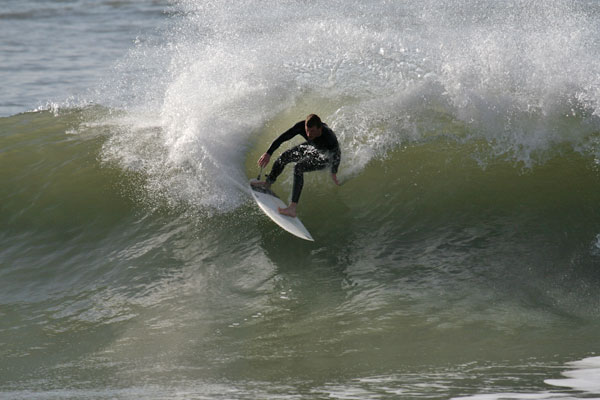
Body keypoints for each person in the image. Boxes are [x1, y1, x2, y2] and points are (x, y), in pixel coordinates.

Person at [252, 114, 341, 217]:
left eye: (312, 131)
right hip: (313, 148)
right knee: (284, 156)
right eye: (307, 130)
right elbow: (283, 137)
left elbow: (337, 155)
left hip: (326, 158)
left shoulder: (329, 137)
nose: (308, 134)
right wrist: (268, 153)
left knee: (299, 167)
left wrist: (334, 172)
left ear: (319, 128)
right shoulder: (301, 126)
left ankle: (292, 208)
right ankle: (267, 183)